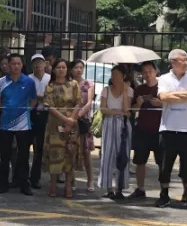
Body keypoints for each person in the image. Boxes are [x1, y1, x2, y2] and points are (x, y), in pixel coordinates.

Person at [156, 49, 187, 209]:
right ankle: (164, 195)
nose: (186, 63)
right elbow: (163, 97)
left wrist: (174, 96)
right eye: (183, 60)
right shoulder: (164, 78)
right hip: (168, 128)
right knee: (165, 164)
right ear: (173, 62)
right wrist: (186, 94)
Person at [0, 54, 37, 195]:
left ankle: (24, 184)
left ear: (22, 65)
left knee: (24, 155)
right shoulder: (1, 81)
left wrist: (26, 111)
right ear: (8, 65)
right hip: (5, 124)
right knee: (5, 155)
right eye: (13, 63)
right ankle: (3, 183)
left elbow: (33, 100)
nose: (16, 66)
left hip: (23, 124)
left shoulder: (29, 82)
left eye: (19, 63)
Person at [42, 59, 81, 198]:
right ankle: (53, 185)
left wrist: (72, 120)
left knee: (70, 154)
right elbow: (49, 106)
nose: (61, 70)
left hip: (72, 124)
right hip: (55, 124)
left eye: (64, 67)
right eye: (58, 67)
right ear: (54, 70)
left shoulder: (74, 84)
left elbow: (78, 103)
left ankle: (68, 186)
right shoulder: (50, 86)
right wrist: (65, 120)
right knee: (55, 154)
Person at [98, 65, 132, 200]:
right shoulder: (106, 90)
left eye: (117, 75)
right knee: (107, 154)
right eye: (112, 75)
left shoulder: (129, 90)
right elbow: (103, 109)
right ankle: (108, 188)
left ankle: (120, 188)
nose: (114, 78)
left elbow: (127, 109)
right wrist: (118, 112)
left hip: (123, 125)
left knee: (122, 154)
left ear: (123, 76)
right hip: (109, 123)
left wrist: (124, 92)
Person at [131, 60, 162, 199]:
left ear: (156, 72)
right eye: (144, 72)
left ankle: (164, 190)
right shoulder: (139, 89)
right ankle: (140, 188)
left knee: (162, 162)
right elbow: (132, 110)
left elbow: (172, 106)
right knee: (140, 161)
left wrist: (161, 104)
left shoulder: (163, 88)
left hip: (160, 130)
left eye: (150, 71)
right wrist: (138, 104)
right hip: (142, 129)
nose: (147, 74)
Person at [71, 60, 96, 194]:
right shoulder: (69, 84)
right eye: (76, 67)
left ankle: (90, 180)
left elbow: (88, 103)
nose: (79, 70)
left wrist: (78, 115)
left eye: (81, 67)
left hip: (83, 120)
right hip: (70, 120)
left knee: (86, 152)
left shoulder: (88, 84)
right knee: (71, 151)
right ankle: (72, 180)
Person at [27, 54, 51, 190]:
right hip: (29, 114)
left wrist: (40, 97)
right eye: (35, 63)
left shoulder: (50, 78)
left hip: (44, 115)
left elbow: (52, 97)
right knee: (24, 147)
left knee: (39, 148)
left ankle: (35, 178)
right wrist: (38, 97)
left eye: (40, 62)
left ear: (45, 64)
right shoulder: (28, 79)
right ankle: (22, 177)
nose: (38, 65)